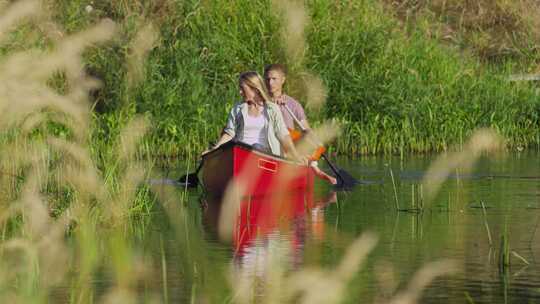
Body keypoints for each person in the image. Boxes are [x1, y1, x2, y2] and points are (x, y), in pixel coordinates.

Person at [205, 71, 304, 162]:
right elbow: (229, 134)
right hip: (241, 155)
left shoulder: (272, 109)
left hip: (265, 157)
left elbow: (283, 136)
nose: (240, 92)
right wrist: (213, 150)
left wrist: (296, 156)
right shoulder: (237, 109)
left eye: (242, 88)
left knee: (256, 147)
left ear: (255, 89)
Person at [264, 64, 337, 185]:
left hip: (287, 143)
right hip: (268, 140)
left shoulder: (293, 105)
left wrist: (312, 137)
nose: (270, 83)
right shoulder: (260, 101)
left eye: (274, 79)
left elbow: (306, 128)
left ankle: (315, 169)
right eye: (267, 79)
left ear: (282, 80)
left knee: (307, 139)